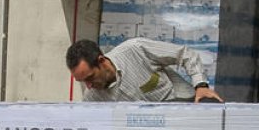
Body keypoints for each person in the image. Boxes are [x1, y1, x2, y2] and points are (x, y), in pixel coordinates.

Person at [66, 37, 223, 103]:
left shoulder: (136, 49)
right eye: (82, 81)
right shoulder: (92, 99)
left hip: (180, 104)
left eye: (90, 77)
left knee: (210, 103)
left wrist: (201, 86)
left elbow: (186, 55)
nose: (88, 86)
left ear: (101, 61)